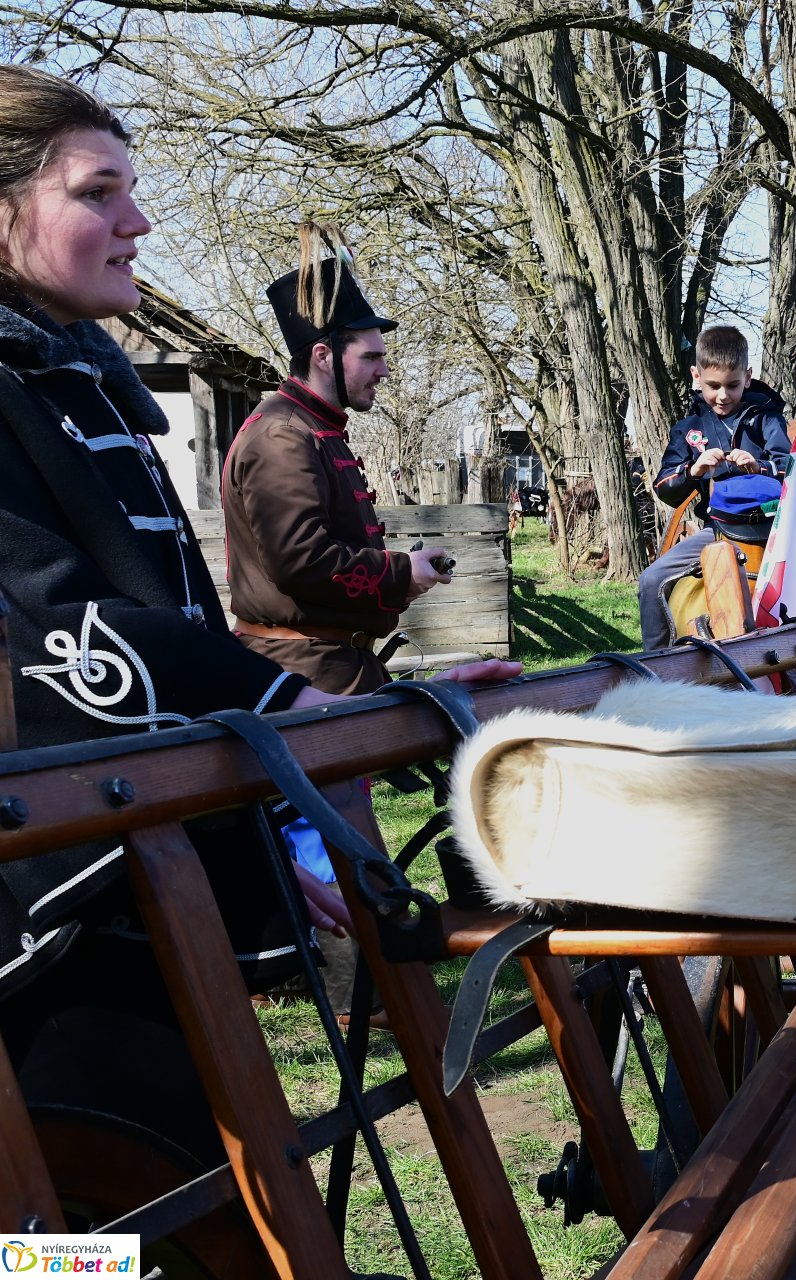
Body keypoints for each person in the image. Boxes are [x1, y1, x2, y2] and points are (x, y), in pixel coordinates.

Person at [0, 66, 517, 1170]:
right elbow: (61, 636)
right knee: (88, 1211)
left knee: (190, 1199)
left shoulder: (71, 382)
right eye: (97, 193)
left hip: (143, 851)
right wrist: (303, 704)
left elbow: (167, 610)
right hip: (49, 895)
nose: (139, 222)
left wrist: (382, 710)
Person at [222, 222, 449, 696]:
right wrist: (401, 572)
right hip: (305, 675)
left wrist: (404, 573)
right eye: (370, 357)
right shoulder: (283, 435)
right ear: (324, 356)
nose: (384, 370)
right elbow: (301, 561)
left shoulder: (312, 428)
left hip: (332, 665)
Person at [639, 325, 790, 650]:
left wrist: (760, 466)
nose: (723, 395)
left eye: (732, 385)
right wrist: (693, 471)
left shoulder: (767, 419)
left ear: (747, 377)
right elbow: (664, 487)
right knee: (651, 580)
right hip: (717, 531)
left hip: (773, 532)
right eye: (713, 386)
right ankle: (656, 662)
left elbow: (793, 470)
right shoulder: (689, 428)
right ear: (697, 376)